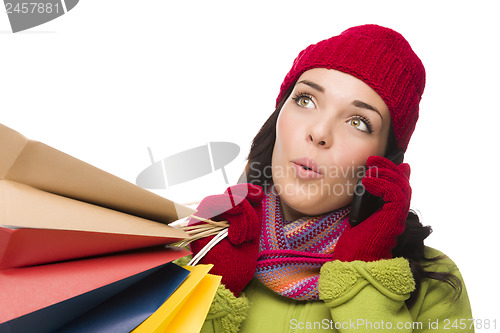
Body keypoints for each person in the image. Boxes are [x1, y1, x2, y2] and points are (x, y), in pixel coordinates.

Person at [185, 24, 474, 332]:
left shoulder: (434, 285)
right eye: (306, 100)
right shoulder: (198, 247)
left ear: (386, 161)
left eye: (359, 122)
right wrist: (209, 291)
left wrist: (364, 278)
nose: (320, 132)